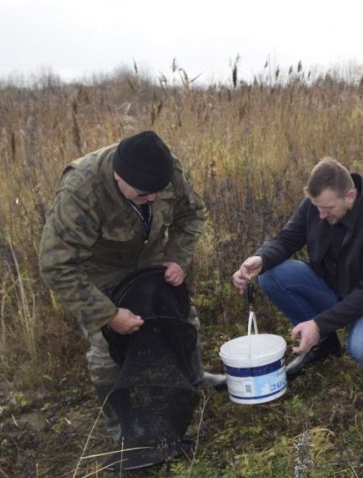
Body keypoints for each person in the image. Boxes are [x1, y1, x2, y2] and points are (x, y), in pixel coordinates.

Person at [39, 130, 226, 442]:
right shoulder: (81, 192)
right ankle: (121, 425)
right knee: (105, 349)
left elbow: (192, 214)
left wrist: (177, 258)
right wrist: (108, 315)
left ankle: (194, 379)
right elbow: (56, 265)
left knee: (182, 318)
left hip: (152, 257)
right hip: (100, 272)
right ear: (117, 176)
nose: (151, 198)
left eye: (157, 191)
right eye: (142, 194)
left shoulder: (165, 168)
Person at [231, 158, 363, 378]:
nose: (320, 215)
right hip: (335, 288)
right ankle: (325, 344)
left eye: (327, 208)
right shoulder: (316, 205)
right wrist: (261, 259)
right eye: (317, 207)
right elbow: (288, 238)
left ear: (350, 196)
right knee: (272, 274)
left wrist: (319, 323)